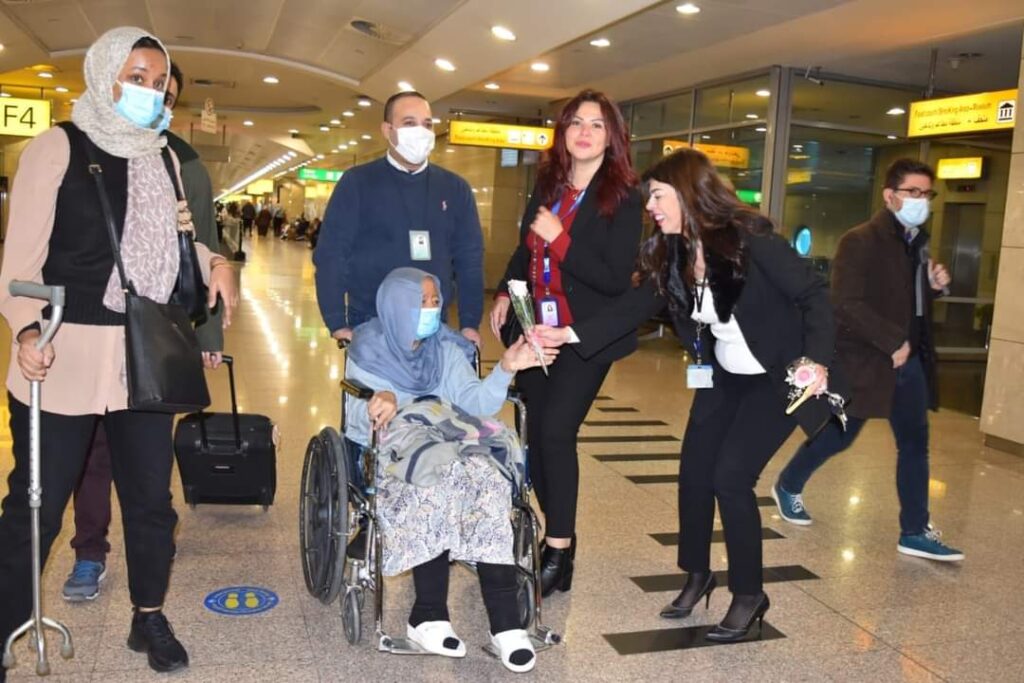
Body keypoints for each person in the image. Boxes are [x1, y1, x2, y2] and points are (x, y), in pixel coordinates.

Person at [0, 27, 237, 678]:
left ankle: (148, 615)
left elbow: (179, 245)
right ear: (104, 77)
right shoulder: (57, 148)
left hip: (143, 356)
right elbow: (17, 265)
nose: (150, 92)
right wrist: (26, 330)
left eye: (158, 83)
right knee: (36, 502)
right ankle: (6, 619)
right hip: (63, 353)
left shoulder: (163, 159)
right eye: (137, 78)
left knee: (150, 500)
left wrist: (216, 262)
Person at [534, 148, 839, 641]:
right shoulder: (674, 252)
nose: (650, 206)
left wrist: (816, 360)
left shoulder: (750, 240)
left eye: (657, 195)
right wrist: (569, 334)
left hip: (779, 377)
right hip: (724, 376)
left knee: (730, 477)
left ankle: (749, 595)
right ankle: (698, 574)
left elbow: (814, 295)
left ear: (686, 192)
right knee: (695, 473)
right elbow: (633, 307)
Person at [57, 59, 230, 605]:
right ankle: (89, 551)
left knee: (146, 455)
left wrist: (209, 339)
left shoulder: (183, 162)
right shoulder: (82, 149)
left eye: (166, 94)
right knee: (92, 450)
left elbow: (199, 247)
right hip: (91, 328)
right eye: (145, 85)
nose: (156, 100)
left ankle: (152, 541)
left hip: (154, 332)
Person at [345, 268, 556, 673]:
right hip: (400, 450)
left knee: (489, 481)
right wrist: (380, 399)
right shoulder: (369, 349)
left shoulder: (445, 347)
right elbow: (356, 417)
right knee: (436, 480)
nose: (432, 308)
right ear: (397, 305)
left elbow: (475, 403)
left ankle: (506, 625)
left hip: (452, 436)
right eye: (422, 301)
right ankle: (428, 615)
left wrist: (505, 367)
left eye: (435, 300)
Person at [488, 90, 642, 597]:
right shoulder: (548, 185)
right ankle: (558, 536)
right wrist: (506, 292)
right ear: (563, 132)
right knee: (535, 436)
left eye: (597, 124)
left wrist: (560, 238)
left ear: (611, 136)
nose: (585, 132)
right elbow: (523, 252)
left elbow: (615, 279)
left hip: (583, 336)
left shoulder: (624, 198)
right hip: (536, 330)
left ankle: (558, 549)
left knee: (557, 431)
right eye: (576, 122)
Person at [772, 158, 963, 561]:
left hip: (910, 361)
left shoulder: (917, 242)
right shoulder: (859, 240)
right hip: (868, 360)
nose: (921, 200)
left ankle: (914, 530)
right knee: (841, 434)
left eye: (927, 193)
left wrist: (933, 286)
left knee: (915, 443)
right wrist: (891, 341)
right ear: (890, 195)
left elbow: (906, 300)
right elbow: (845, 304)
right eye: (913, 192)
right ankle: (789, 482)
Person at [313, 90, 484, 346]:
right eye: (409, 123)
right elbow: (332, 254)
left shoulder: (455, 188)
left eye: (427, 124)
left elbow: (469, 259)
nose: (421, 131)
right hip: (370, 322)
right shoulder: (358, 183)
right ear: (387, 130)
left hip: (432, 322)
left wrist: (470, 322)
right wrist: (336, 322)